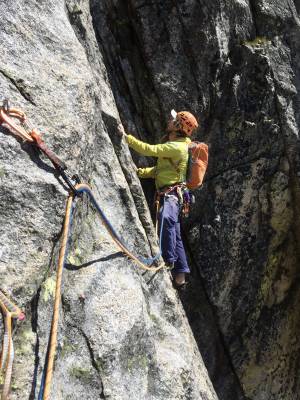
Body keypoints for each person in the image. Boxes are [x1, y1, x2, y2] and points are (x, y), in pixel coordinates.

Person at [118, 110, 198, 290]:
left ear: (178, 126)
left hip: (171, 196)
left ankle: (168, 260)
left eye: (173, 120)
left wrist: (126, 137)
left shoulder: (177, 147)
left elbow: (150, 150)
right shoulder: (178, 144)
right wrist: (141, 173)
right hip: (173, 194)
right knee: (176, 235)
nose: (169, 120)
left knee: (166, 218)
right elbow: (160, 170)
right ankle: (180, 278)